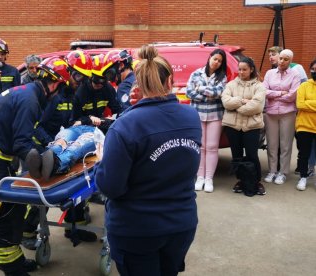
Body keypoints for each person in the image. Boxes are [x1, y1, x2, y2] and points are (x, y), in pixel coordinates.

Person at [95, 45, 201, 276]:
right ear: (170, 81)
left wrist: (102, 161)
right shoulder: (192, 117)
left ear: (137, 86)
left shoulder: (125, 125)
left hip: (137, 229)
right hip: (181, 224)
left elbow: (110, 186)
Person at [0, 71, 66, 275]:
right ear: (53, 85)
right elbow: (22, 143)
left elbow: (26, 131)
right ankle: (11, 268)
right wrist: (48, 162)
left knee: (14, 209)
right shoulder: (31, 101)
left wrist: (47, 146)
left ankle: (15, 259)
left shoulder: (27, 93)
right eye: (61, 89)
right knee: (4, 215)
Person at [27, 54, 121, 181]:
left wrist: (96, 121)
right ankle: (46, 158)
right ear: (68, 73)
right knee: (63, 139)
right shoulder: (56, 95)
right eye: (78, 76)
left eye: (83, 79)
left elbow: (74, 119)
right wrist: (51, 142)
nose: (80, 82)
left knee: (78, 145)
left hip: (92, 131)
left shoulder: (73, 93)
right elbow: (40, 125)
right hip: (57, 135)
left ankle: (57, 163)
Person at [221, 57, 266, 195]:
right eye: (239, 69)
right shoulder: (231, 85)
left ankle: (256, 182)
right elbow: (226, 102)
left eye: (244, 69)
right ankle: (241, 180)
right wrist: (243, 101)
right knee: (237, 156)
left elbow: (257, 106)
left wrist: (236, 107)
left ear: (251, 69)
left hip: (252, 126)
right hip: (233, 126)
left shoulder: (259, 86)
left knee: (252, 155)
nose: (241, 72)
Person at [186, 49, 228, 192]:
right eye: (215, 59)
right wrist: (208, 95)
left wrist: (201, 88)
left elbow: (219, 92)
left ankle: (209, 179)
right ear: (210, 57)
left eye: (220, 61)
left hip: (215, 115)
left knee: (211, 147)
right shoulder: (196, 73)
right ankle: (200, 178)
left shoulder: (222, 77)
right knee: (200, 147)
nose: (216, 62)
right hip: (198, 114)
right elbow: (189, 92)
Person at [262, 49, 301, 185]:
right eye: (281, 58)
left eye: (286, 59)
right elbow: (264, 91)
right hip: (271, 113)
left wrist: (274, 94)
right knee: (272, 144)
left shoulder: (295, 74)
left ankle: (283, 172)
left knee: (285, 144)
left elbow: (292, 95)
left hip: (288, 114)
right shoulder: (269, 73)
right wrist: (280, 93)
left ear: (290, 61)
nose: (282, 61)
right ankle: (272, 171)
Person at [295, 59, 316, 191]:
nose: (315, 71)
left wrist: (309, 103)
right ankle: (303, 177)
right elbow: (299, 104)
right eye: (313, 69)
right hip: (304, 125)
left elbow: (305, 104)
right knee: (304, 154)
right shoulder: (304, 86)